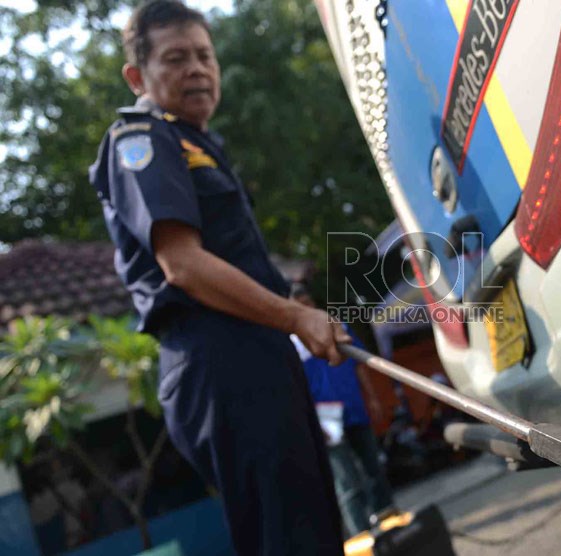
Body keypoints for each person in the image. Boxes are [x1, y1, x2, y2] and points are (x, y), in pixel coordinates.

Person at [88, 2, 350, 554]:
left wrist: (290, 304)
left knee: (313, 528)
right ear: (137, 76)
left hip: (257, 351)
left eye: (205, 56)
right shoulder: (141, 138)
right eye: (176, 58)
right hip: (218, 360)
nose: (197, 70)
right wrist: (295, 315)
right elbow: (181, 263)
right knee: (288, 538)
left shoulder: (200, 144)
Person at [289, 283, 397, 537]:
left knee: (374, 466)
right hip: (324, 416)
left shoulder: (336, 325)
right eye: (300, 307)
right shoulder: (290, 344)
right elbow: (293, 387)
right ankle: (362, 536)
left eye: (309, 304)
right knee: (346, 480)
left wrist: (371, 397)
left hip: (353, 405)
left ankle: (389, 521)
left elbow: (359, 363)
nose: (307, 310)